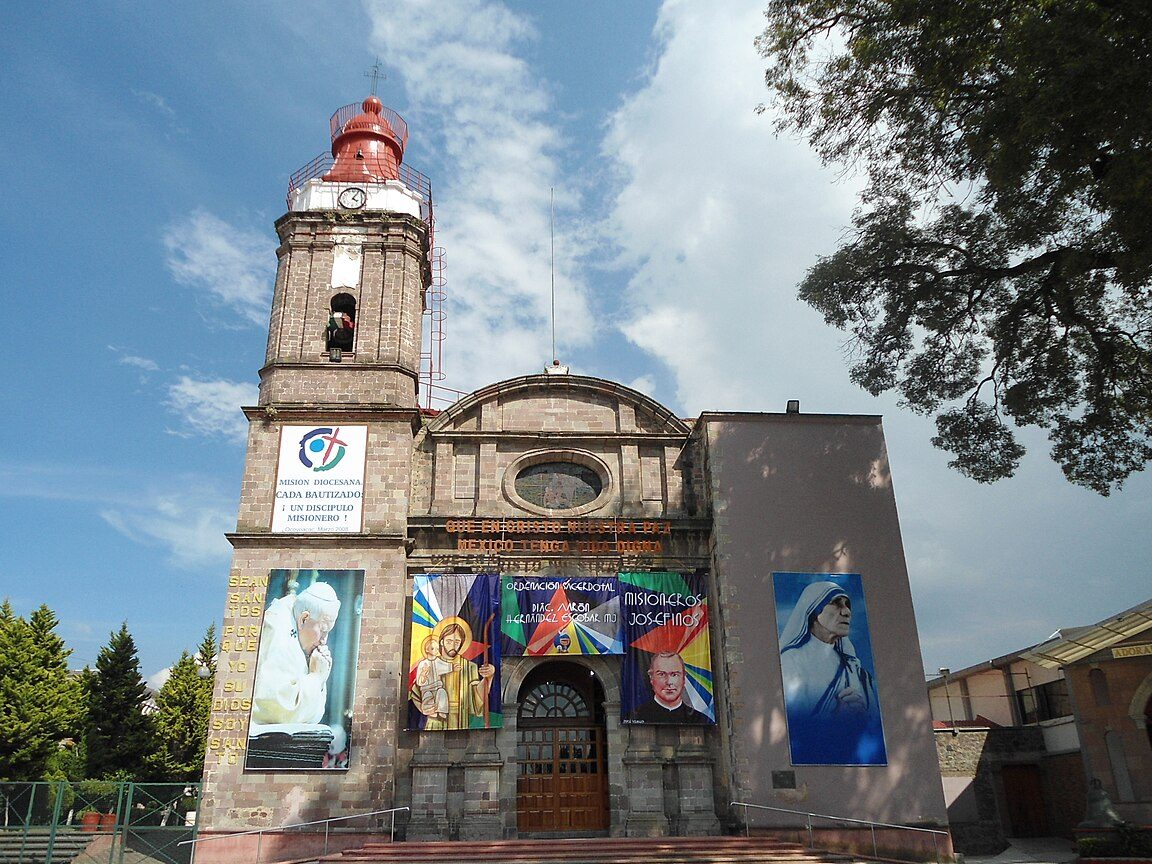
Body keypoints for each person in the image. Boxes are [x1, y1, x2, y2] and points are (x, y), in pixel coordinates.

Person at [778, 580, 885, 764]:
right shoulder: (791, 661)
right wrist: (837, 717)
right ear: (814, 610)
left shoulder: (855, 670)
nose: (846, 611)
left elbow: (874, 725)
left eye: (847, 605)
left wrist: (860, 717)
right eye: (836, 603)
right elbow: (792, 727)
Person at [251, 582, 342, 725]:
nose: (324, 640)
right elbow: (276, 709)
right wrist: (316, 677)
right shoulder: (277, 630)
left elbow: (311, 717)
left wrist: (320, 677)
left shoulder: (301, 637)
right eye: (323, 630)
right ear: (303, 619)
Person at [410, 618, 495, 730]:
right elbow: (416, 691)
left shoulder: (470, 667)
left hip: (461, 719)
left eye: (457, 642)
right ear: (441, 642)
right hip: (435, 721)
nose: (453, 646)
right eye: (449, 641)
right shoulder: (430, 664)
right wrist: (422, 707)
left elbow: (477, 699)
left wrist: (488, 677)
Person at [627, 651, 710, 724]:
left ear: (684, 678)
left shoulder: (700, 719)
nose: (669, 682)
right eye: (662, 674)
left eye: (674, 675)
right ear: (651, 678)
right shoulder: (636, 716)